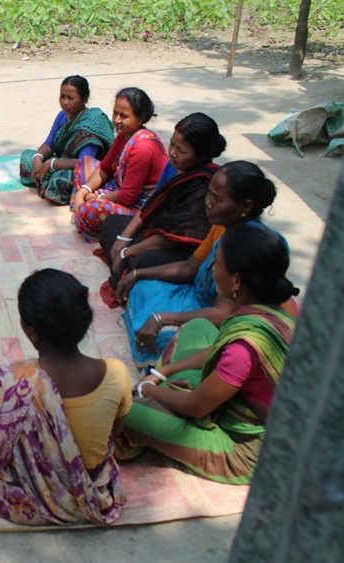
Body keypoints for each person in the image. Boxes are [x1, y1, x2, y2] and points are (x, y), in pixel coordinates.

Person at [0, 269, 130, 526]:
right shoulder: (117, 373)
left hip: (31, 497)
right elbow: (114, 434)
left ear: (32, 332)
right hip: (96, 491)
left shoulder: (13, 381)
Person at [116, 224, 299, 485]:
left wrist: (149, 390)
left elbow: (196, 406)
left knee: (124, 410)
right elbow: (218, 350)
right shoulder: (275, 308)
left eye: (217, 264)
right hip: (236, 397)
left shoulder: (244, 346)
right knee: (198, 327)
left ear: (236, 281)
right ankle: (166, 401)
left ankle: (147, 421)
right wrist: (163, 372)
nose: (211, 270)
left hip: (243, 451)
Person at [116, 161, 286, 366]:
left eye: (218, 199)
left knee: (168, 336)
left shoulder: (245, 247)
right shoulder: (222, 227)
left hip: (218, 319)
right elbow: (189, 268)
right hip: (197, 298)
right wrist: (137, 274)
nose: (208, 203)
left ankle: (165, 365)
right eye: (209, 193)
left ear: (246, 206)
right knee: (141, 287)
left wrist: (162, 318)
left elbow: (223, 314)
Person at [100, 113, 227, 288]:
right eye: (172, 144)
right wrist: (124, 238)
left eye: (181, 150)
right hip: (157, 231)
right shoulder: (173, 166)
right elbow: (152, 202)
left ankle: (126, 274)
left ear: (201, 155)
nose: (173, 153)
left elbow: (172, 238)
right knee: (112, 224)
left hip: (182, 248)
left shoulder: (203, 185)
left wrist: (127, 251)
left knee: (136, 263)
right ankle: (123, 267)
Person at [71, 87, 168, 238]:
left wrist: (96, 198)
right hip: (117, 189)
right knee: (85, 163)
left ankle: (85, 213)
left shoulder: (143, 147)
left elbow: (127, 197)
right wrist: (82, 192)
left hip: (138, 209)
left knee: (90, 210)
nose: (117, 120)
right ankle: (81, 203)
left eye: (124, 116)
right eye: (115, 113)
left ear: (140, 118)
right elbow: (104, 169)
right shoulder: (124, 135)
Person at [19, 75, 114, 205]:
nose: (65, 102)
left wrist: (51, 164)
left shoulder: (92, 123)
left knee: (61, 181)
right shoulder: (62, 115)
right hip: (59, 161)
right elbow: (49, 143)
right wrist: (38, 158)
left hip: (83, 170)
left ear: (85, 99)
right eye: (62, 96)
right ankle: (43, 181)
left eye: (71, 98)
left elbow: (84, 163)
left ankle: (46, 184)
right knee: (27, 158)